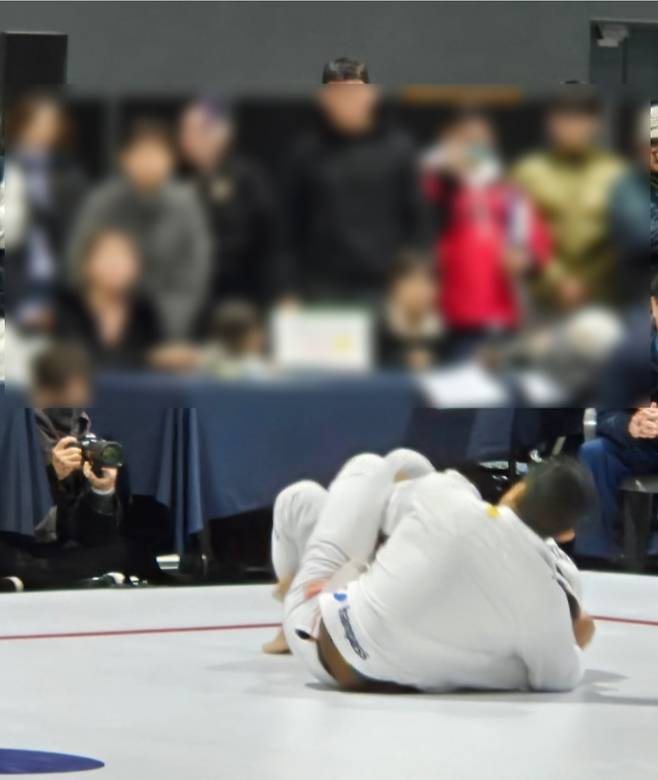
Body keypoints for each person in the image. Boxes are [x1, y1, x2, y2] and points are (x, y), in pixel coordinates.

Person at [272, 449, 595, 692]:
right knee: (407, 471)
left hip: (323, 632)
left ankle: (289, 610)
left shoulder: (447, 492)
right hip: (379, 670)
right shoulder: (547, 598)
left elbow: (379, 502)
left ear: (517, 489)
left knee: (346, 478)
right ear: (567, 533)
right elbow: (558, 679)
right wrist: (578, 637)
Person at [0, 343, 157, 592]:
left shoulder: (82, 430)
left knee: (128, 551)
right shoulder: (10, 429)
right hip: (13, 542)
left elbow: (93, 536)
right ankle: (42, 575)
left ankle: (28, 576)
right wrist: (51, 476)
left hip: (58, 548)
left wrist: (102, 492)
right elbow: (13, 517)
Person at [279, 57, 427, 303]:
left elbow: (419, 220)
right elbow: (288, 229)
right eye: (337, 92)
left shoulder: (399, 149)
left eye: (355, 91)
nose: (347, 100)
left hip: (385, 288)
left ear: (373, 94)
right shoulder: (306, 153)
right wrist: (287, 290)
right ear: (323, 98)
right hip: (320, 288)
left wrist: (415, 276)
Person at [423, 108, 552, 360]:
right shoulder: (431, 187)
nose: (475, 146)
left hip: (502, 316)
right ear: (448, 141)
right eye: (467, 139)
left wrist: (527, 258)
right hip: (444, 318)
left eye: (482, 139)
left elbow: (538, 243)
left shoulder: (510, 193)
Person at [67, 118, 211, 339]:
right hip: (103, 320)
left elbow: (194, 274)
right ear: (123, 158)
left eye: (157, 154)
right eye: (141, 154)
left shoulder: (186, 204)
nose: (149, 162)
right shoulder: (102, 202)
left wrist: (163, 327)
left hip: (167, 321)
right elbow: (77, 262)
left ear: (172, 159)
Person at [513, 83, 626, 309]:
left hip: (603, 297)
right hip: (541, 298)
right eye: (564, 118)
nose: (572, 127)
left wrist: (586, 282)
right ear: (551, 123)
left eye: (581, 119)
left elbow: (625, 237)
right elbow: (519, 234)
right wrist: (557, 281)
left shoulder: (616, 173)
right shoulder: (528, 172)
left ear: (596, 123)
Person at [577, 276, 658, 559]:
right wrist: (630, 424)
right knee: (593, 452)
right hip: (636, 444)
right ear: (653, 305)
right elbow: (604, 413)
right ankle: (595, 557)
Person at [178, 99, 278, 307]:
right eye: (185, 130)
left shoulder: (247, 178)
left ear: (223, 132)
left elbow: (269, 239)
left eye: (200, 130)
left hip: (240, 290)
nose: (189, 138)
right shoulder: (175, 178)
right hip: (188, 293)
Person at [5, 92, 87, 328]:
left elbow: (79, 231)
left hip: (59, 276)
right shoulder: (7, 169)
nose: (42, 130)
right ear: (19, 124)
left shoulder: (70, 175)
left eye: (50, 124)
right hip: (12, 274)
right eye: (35, 122)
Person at [54, 228, 162, 369]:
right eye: (108, 255)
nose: (115, 265)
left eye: (124, 256)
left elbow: (157, 360)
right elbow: (73, 360)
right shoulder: (68, 305)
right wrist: (147, 359)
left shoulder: (145, 312)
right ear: (86, 264)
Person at [376, 251, 442, 371]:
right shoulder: (376, 327)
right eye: (412, 282)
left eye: (428, 283)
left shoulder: (440, 330)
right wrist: (403, 361)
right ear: (394, 286)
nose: (420, 291)